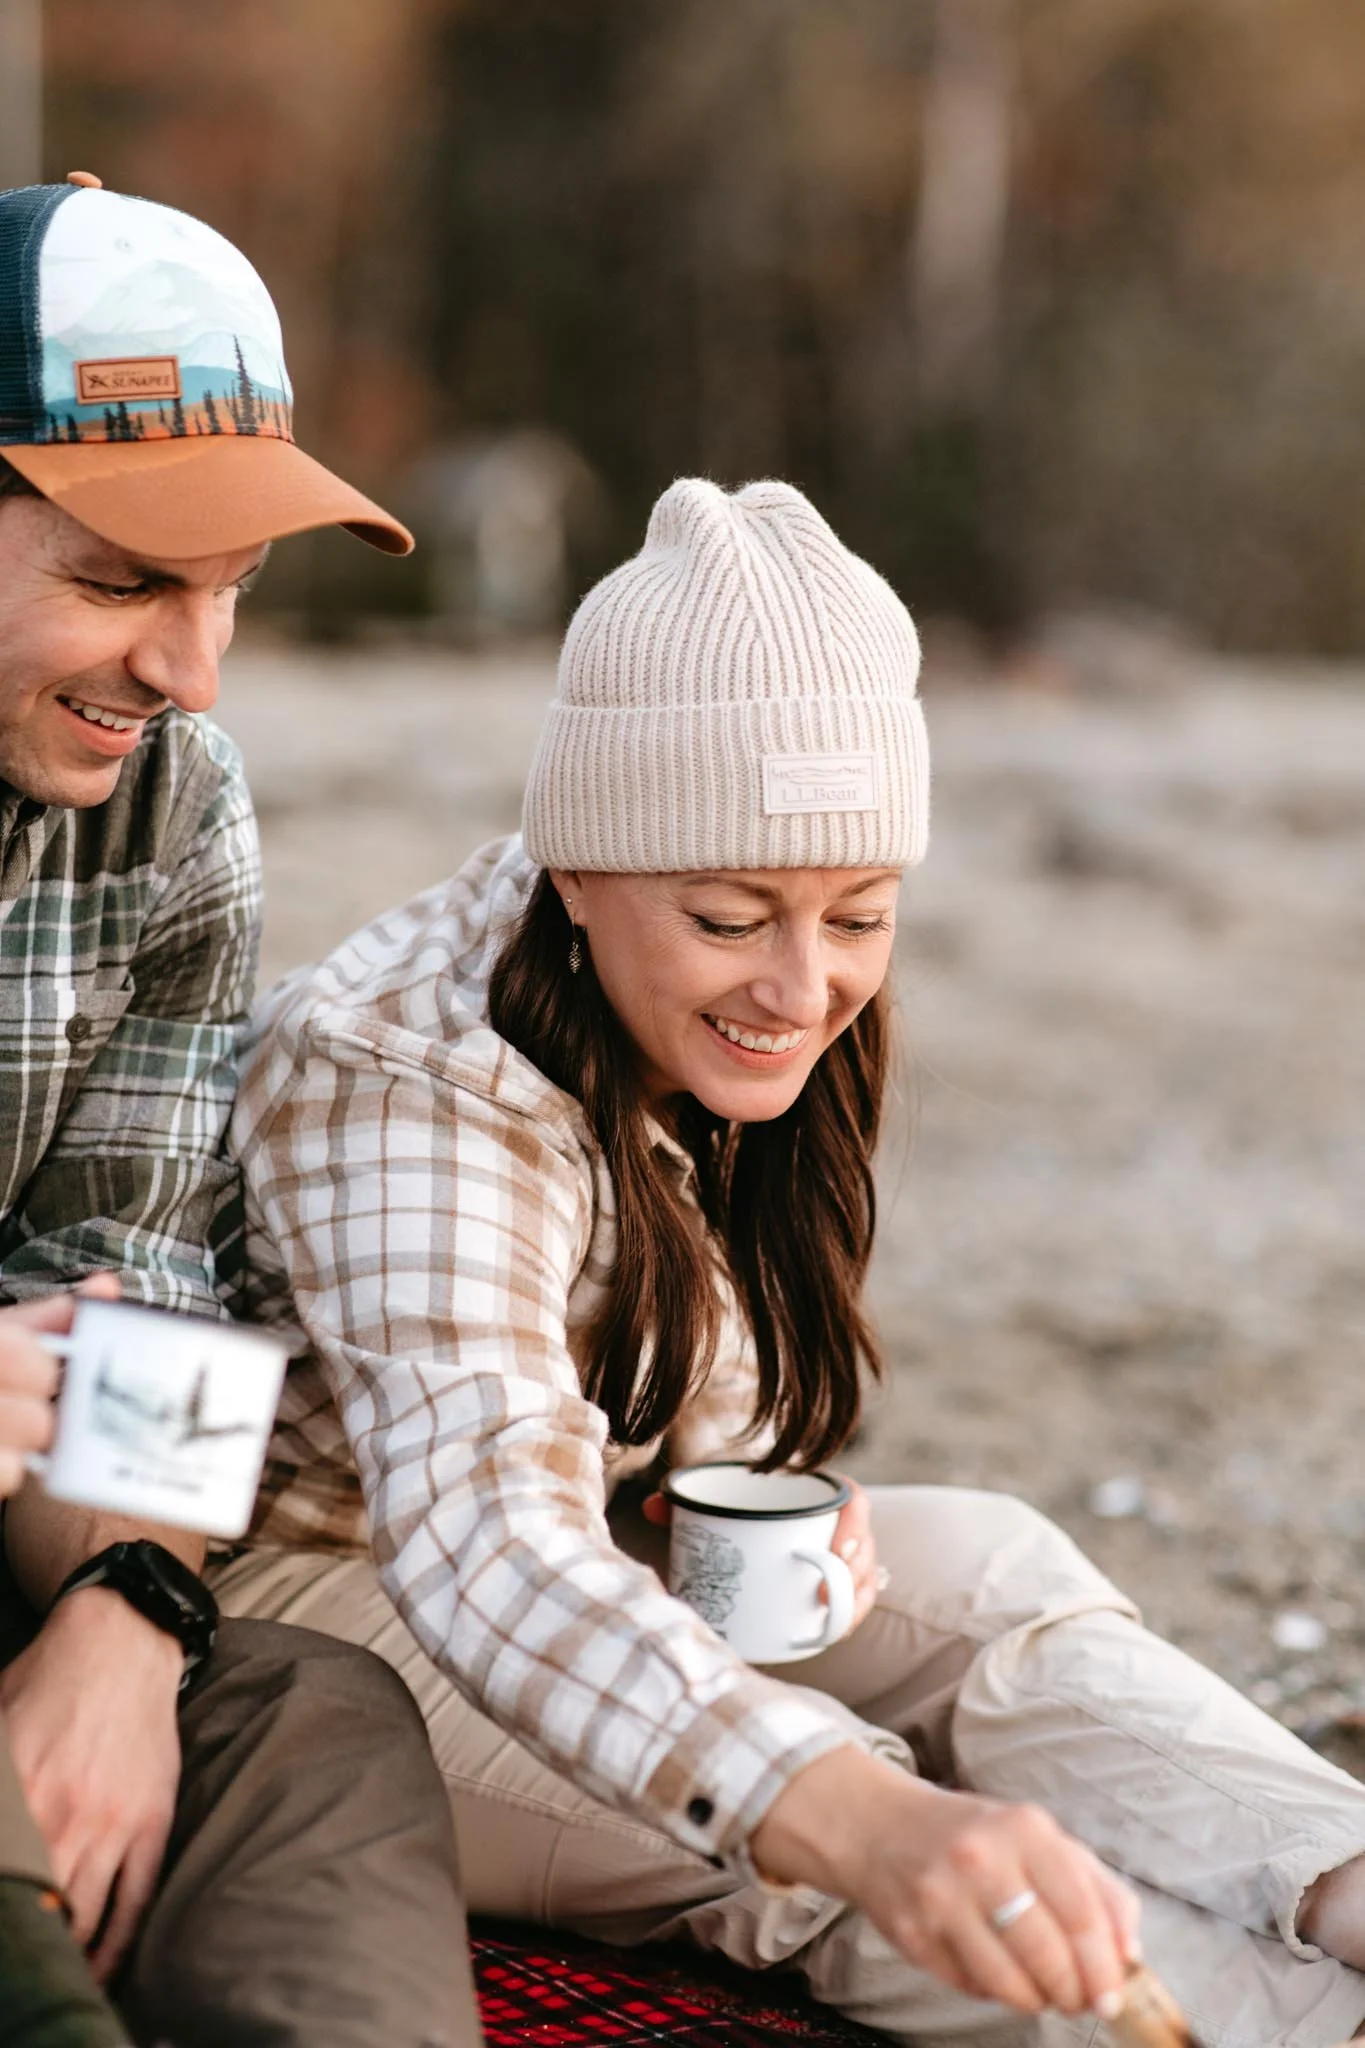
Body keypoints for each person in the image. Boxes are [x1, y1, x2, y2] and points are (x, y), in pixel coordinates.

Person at [230, 477, 1365, 2048]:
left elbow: (690, 1409)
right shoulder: (396, 1078)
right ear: (574, 867)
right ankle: (1284, 2027)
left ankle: (1341, 1885)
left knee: (996, 1576)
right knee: (807, 1835)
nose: (801, 983)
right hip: (323, 1605)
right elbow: (485, 1541)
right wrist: (848, 1805)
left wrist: (725, 1495)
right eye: (729, 914)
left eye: (860, 915)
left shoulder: (718, 1018)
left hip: (588, 1532)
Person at [0, 174, 474, 2046]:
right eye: (123, 580)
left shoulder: (175, 800)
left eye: (228, 593)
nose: (190, 678)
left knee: (313, 1714)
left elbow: (131, 1290)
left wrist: (123, 1622)